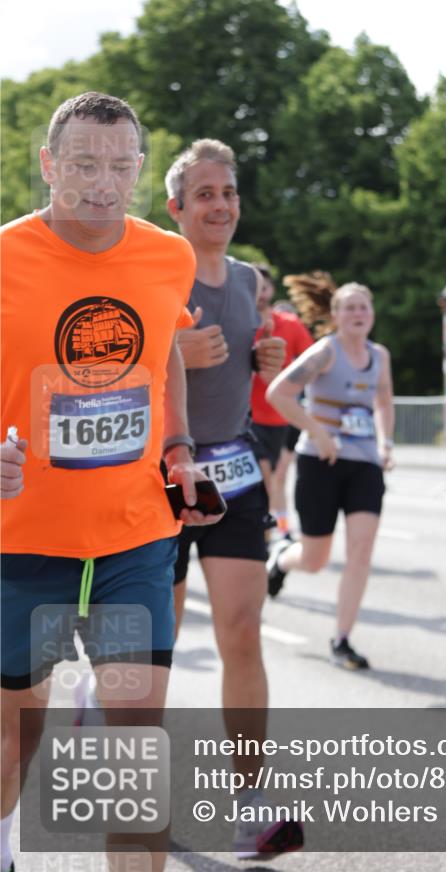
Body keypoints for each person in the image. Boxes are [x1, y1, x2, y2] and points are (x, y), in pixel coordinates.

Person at [0, 92, 222, 872]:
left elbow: (161, 346)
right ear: (49, 165)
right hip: (21, 542)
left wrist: (179, 443)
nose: (104, 182)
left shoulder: (168, 255)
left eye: (122, 165)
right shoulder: (3, 258)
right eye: (86, 164)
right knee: (14, 733)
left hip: (134, 537)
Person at [164, 139, 304, 858]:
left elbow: (246, 361)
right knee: (153, 647)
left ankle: (249, 801)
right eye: (205, 194)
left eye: (229, 192)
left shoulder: (249, 280)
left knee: (241, 631)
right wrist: (169, 352)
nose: (220, 204)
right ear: (176, 208)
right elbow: (108, 363)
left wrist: (263, 357)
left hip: (233, 471)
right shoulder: (153, 271)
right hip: (156, 477)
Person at [266, 276, 395, 670]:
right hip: (319, 464)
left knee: (361, 551)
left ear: (372, 315)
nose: (358, 314)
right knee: (316, 559)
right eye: (350, 308)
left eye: (364, 307)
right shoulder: (326, 352)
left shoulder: (380, 356)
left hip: (365, 465)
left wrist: (386, 441)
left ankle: (342, 639)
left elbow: (384, 401)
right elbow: (278, 394)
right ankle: (282, 559)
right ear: (336, 315)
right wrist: (318, 433)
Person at [250, 265, 314, 540]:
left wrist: (290, 380)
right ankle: (265, 532)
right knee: (265, 476)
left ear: (272, 290)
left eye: (264, 287)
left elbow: (312, 362)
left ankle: (281, 531)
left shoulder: (290, 324)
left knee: (279, 478)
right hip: (250, 417)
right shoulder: (241, 324)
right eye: (254, 288)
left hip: (285, 417)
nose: (260, 294)